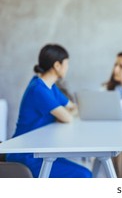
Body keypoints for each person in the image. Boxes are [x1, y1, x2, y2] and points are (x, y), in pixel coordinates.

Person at [6, 44, 92, 178]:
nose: (67, 67)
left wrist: (64, 113)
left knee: (86, 173)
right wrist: (64, 114)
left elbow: (72, 107)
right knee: (84, 175)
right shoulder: (38, 89)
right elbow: (68, 117)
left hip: (41, 151)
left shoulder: (50, 87)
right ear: (57, 65)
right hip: (26, 156)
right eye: (66, 64)